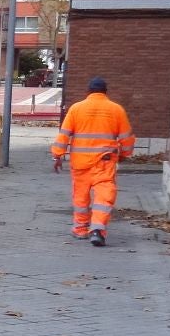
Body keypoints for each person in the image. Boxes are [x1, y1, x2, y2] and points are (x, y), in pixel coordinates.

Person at [51, 77, 135, 246]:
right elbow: (126, 138)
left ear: (88, 92)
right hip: (104, 163)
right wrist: (125, 154)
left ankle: (80, 229)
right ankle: (97, 229)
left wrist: (57, 155)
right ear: (106, 92)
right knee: (104, 197)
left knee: (81, 197)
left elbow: (64, 134)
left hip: (80, 163)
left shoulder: (76, 109)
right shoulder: (116, 110)